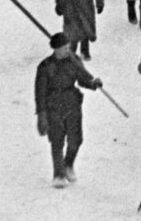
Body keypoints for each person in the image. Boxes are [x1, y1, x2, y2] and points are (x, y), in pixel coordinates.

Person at [35, 32, 103, 188]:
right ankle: (58, 174)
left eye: (68, 47)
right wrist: (41, 115)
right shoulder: (45, 66)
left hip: (72, 103)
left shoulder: (74, 60)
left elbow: (83, 79)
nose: (67, 50)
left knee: (76, 140)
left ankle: (68, 164)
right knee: (57, 140)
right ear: (56, 49)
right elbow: (40, 93)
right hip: (53, 105)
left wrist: (93, 84)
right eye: (64, 48)